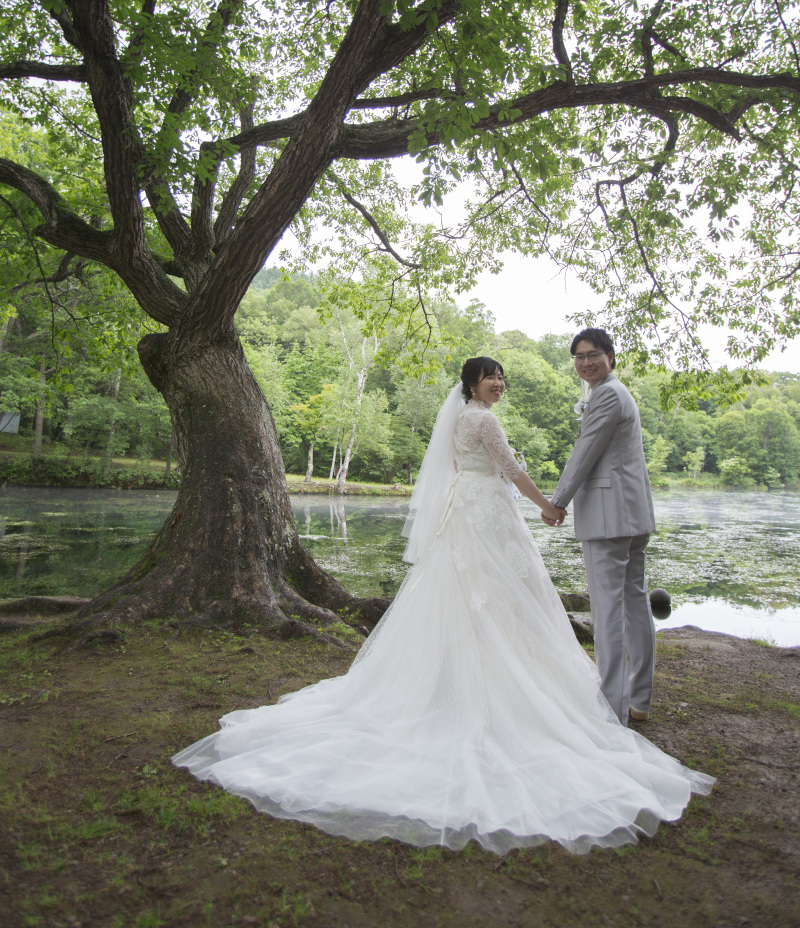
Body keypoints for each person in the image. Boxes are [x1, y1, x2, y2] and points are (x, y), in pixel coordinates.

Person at [172, 357, 712, 855]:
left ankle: (459, 674)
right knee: (496, 594)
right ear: (472, 385)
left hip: (466, 509)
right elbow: (510, 469)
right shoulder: (484, 421)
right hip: (486, 510)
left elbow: (466, 467)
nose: (498, 383)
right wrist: (549, 505)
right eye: (490, 377)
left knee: (473, 593)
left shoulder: (460, 419)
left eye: (501, 376)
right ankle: (492, 684)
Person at [548, 329, 657, 725]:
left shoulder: (609, 394)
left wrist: (557, 501)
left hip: (609, 518)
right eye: (579, 357)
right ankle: (639, 699)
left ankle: (611, 707)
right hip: (632, 515)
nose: (585, 362)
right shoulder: (616, 392)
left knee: (608, 609)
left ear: (611, 356)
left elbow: (586, 450)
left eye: (593, 354)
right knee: (635, 604)